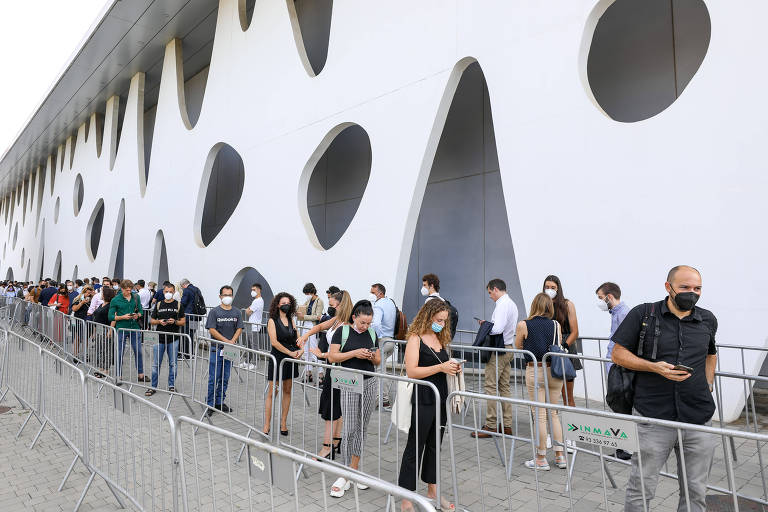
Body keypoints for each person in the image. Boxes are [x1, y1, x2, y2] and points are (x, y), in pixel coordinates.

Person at [612, 266, 717, 512]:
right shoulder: (643, 314)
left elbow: (711, 354)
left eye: (697, 288)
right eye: (685, 287)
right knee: (641, 489)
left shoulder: (708, 319)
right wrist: (654, 367)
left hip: (697, 419)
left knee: (696, 491)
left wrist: (707, 384)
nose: (692, 293)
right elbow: (618, 354)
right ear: (668, 287)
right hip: (652, 417)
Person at [399, 299, 459, 511]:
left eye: (444, 321)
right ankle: (406, 497)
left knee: (435, 445)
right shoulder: (415, 338)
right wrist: (441, 367)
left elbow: (442, 367)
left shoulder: (441, 337)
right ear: (428, 316)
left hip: (441, 398)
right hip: (423, 397)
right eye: (438, 320)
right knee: (415, 446)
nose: (441, 324)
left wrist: (452, 368)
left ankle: (433, 491)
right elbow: (412, 371)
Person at [327, 300, 381, 498]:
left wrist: (370, 356)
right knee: (349, 426)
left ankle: (355, 469)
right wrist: (355, 353)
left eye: (368, 323)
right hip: (349, 382)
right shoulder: (343, 332)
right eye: (363, 323)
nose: (365, 327)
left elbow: (378, 360)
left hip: (369, 382)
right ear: (354, 317)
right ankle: (345, 472)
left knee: (362, 426)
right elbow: (332, 357)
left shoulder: (373, 334)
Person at [297, 290, 353, 459]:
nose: (330, 308)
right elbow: (321, 326)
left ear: (340, 305)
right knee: (334, 406)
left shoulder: (348, 325)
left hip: (339, 368)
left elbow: (345, 351)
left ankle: (327, 447)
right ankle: (335, 441)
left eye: (332, 305)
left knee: (332, 408)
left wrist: (322, 355)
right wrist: (306, 335)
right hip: (332, 367)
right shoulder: (337, 320)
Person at [515, 293, 566, 470]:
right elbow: (558, 343)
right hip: (554, 370)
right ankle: (560, 456)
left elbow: (518, 345)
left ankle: (541, 458)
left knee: (539, 415)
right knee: (553, 414)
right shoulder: (556, 324)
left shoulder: (524, 324)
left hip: (535, 369)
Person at [472, 279, 519, 438]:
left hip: (499, 350)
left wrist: (486, 326)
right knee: (504, 387)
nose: (490, 296)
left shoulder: (502, 304)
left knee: (491, 386)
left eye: (490, 293)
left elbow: (497, 328)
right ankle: (506, 425)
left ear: (496, 289)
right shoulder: (511, 303)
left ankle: (491, 425)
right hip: (508, 347)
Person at [263, 292, 302, 435]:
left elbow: (296, 337)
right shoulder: (272, 320)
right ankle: (267, 425)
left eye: (288, 303)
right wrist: (290, 353)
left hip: (290, 360)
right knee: (273, 392)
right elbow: (274, 342)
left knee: (287, 390)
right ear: (278, 304)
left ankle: (283, 423)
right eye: (283, 303)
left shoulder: (291, 319)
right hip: (278, 358)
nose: (286, 305)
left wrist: (301, 349)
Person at [205, 285, 243, 415]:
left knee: (225, 378)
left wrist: (232, 341)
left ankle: (220, 402)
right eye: (225, 295)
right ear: (220, 296)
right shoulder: (214, 312)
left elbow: (239, 328)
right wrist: (225, 341)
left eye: (230, 295)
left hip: (229, 351)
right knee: (213, 378)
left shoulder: (237, 312)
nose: (227, 297)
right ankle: (209, 404)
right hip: (217, 349)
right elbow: (212, 329)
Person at [543, 275, 579, 408]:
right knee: (549, 395)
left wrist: (563, 347)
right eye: (547, 287)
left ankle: (571, 425)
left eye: (553, 287)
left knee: (567, 396)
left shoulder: (567, 304)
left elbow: (575, 331)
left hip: (565, 348)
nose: (549, 290)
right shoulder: (542, 304)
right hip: (548, 348)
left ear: (558, 289)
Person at [147, 283, 185, 395]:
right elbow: (152, 320)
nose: (168, 293)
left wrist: (175, 322)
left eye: (170, 292)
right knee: (155, 364)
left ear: (174, 292)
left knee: (173, 364)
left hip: (173, 338)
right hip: (159, 338)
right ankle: (153, 386)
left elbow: (183, 322)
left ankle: (171, 386)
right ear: (163, 292)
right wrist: (159, 321)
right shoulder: (159, 305)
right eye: (166, 291)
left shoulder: (178, 305)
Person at [109, 279, 147, 383]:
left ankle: (141, 374)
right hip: (121, 329)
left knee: (138, 351)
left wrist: (137, 315)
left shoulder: (136, 297)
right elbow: (110, 316)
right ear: (122, 289)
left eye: (130, 290)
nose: (129, 292)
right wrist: (122, 317)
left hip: (134, 328)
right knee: (119, 352)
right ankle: (118, 375)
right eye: (127, 290)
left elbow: (141, 311)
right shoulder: (115, 300)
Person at [370, 282, 397, 407]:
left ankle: (382, 399)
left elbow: (375, 324)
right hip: (391, 340)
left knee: (380, 370)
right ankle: (382, 398)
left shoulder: (378, 304)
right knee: (382, 369)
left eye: (373, 293)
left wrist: (377, 338)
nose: (372, 295)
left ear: (380, 293)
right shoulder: (390, 302)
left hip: (382, 340)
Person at [595, 282, 630, 375]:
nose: (599, 301)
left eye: (600, 298)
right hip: (614, 360)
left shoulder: (623, 314)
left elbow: (627, 341)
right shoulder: (616, 313)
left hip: (618, 363)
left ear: (609, 297)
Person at [297, 283, 324, 369]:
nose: (306, 295)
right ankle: (308, 372)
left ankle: (320, 373)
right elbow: (303, 309)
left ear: (312, 291)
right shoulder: (308, 301)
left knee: (313, 348)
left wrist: (304, 316)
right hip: (306, 325)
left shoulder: (319, 301)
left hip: (313, 326)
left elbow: (317, 316)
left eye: (307, 293)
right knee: (306, 349)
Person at [92, 286, 116, 378]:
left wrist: (110, 330)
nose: (101, 294)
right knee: (99, 349)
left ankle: (106, 370)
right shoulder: (101, 304)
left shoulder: (110, 305)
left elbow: (113, 318)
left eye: (102, 293)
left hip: (106, 329)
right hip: (98, 329)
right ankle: (101, 368)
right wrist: (94, 332)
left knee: (107, 350)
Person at [241, 283, 265, 368]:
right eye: (251, 290)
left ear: (259, 290)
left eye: (254, 290)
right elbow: (248, 310)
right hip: (251, 325)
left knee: (254, 346)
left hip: (254, 326)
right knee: (249, 345)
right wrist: (249, 308)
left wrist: (248, 309)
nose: (252, 291)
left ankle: (254, 363)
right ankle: (247, 362)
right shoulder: (257, 300)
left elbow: (248, 312)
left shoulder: (257, 301)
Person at [180, 278, 202, 358]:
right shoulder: (197, 289)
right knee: (192, 335)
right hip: (196, 317)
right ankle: (192, 353)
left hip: (188, 316)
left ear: (184, 284)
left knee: (186, 335)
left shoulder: (186, 290)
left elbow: (183, 303)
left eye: (181, 286)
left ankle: (186, 354)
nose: (182, 288)